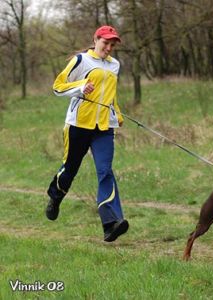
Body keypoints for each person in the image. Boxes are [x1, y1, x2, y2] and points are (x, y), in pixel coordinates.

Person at [46, 25, 129, 242]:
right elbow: (58, 87)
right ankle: (55, 198)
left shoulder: (115, 65)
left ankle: (111, 224)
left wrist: (117, 113)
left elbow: (112, 96)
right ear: (96, 39)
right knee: (70, 169)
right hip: (78, 125)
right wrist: (81, 86)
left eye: (112, 45)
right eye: (106, 43)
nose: (109, 48)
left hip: (103, 127)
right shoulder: (81, 61)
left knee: (105, 171)